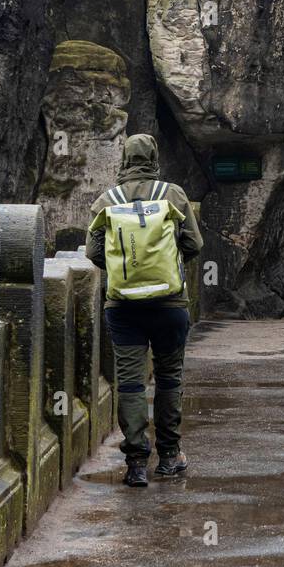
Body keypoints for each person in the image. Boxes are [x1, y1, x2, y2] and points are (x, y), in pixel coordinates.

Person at [86, 134, 203, 488]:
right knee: (169, 378)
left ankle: (136, 462)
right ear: (154, 158)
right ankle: (169, 457)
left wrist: (127, 266)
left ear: (124, 158)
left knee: (132, 383)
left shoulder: (105, 201)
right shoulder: (174, 195)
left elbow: (93, 254)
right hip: (169, 305)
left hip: (123, 308)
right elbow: (194, 244)